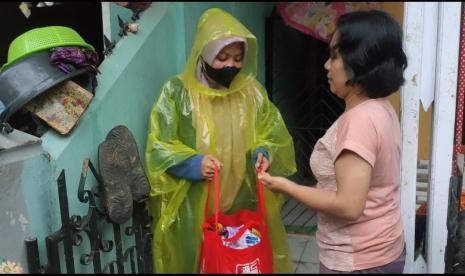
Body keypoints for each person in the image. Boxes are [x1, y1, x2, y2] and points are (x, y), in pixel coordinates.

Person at [144, 8, 296, 273]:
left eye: (238, 58)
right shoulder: (176, 93)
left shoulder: (252, 93)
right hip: (194, 208)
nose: (231, 65)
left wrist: (264, 152)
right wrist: (192, 164)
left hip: (242, 203)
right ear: (204, 53)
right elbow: (159, 146)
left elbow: (272, 132)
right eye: (222, 57)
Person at [258, 10, 408, 274]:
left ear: (359, 62)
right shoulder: (381, 108)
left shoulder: (359, 121)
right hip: (382, 250)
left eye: (335, 56)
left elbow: (348, 206)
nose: (327, 65)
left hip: (358, 260)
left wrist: (286, 187)